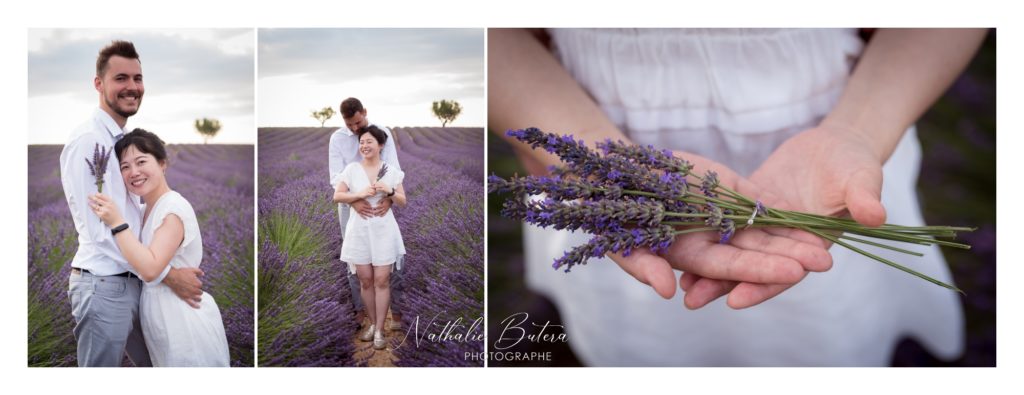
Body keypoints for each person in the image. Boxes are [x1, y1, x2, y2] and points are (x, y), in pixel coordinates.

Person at [489, 28, 986, 365]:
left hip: (847, 123)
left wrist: (859, 132)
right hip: (589, 126)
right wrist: (576, 138)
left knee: (828, 337)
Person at [59, 40, 205, 367]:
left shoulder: (119, 142)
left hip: (133, 283)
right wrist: (167, 274)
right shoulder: (90, 141)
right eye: (121, 78)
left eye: (137, 78)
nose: (132, 87)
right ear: (99, 84)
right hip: (104, 284)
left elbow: (126, 214)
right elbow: (100, 231)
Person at [89, 129, 230, 366]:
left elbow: (151, 268)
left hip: (182, 318)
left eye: (141, 161)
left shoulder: (172, 208)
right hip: (161, 317)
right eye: (124, 167)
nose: (134, 172)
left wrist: (116, 222)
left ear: (162, 163)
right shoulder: (143, 211)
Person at [328, 98, 405, 331]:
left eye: (357, 122)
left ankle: (397, 313)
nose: (354, 128)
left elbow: (393, 169)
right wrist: (355, 200)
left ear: (365, 112)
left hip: (381, 201)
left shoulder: (383, 134)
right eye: (349, 124)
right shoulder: (337, 139)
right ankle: (360, 312)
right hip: (350, 202)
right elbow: (335, 178)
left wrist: (390, 200)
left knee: (390, 258)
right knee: (355, 258)